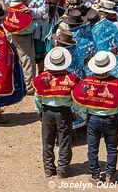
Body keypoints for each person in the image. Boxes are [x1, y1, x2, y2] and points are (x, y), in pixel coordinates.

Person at [72, 51, 118, 184]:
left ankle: (94, 174)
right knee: (112, 148)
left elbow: (81, 102)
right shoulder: (117, 84)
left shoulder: (87, 83)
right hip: (111, 119)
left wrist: (84, 116)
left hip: (93, 119)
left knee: (92, 148)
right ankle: (110, 175)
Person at [33, 47, 80, 178]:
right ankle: (63, 170)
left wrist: (38, 110)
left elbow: (37, 97)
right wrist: (75, 111)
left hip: (47, 111)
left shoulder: (41, 78)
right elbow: (75, 99)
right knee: (64, 140)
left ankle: (48, 169)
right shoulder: (71, 79)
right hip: (64, 113)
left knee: (47, 141)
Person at [4, 0, 37, 95]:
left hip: (14, 36)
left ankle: (20, 83)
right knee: (28, 61)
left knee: (18, 60)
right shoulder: (22, 8)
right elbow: (29, 26)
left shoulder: (11, 4)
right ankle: (29, 87)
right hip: (24, 37)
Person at [26, 0, 65, 74]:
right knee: (39, 54)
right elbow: (39, 12)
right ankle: (41, 72)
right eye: (55, 0)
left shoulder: (49, 3)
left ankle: (50, 71)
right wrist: (31, 11)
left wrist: (31, 11)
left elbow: (40, 12)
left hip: (48, 31)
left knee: (48, 51)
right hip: (38, 32)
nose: (56, 2)